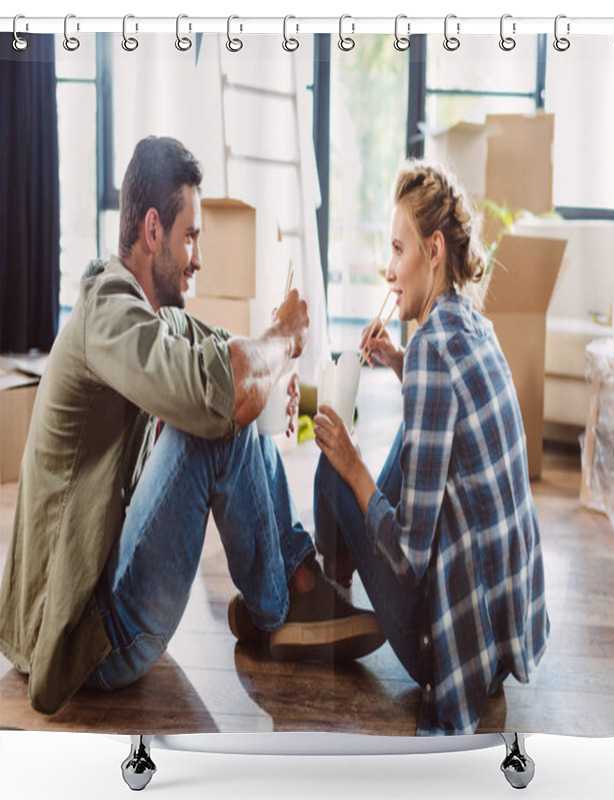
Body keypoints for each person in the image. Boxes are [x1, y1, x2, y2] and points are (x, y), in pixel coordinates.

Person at [0, 136, 383, 716]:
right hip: (84, 642)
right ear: (153, 231)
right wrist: (281, 341)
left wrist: (285, 387)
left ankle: (295, 581)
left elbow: (229, 358)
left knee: (232, 399)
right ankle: (282, 609)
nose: (197, 256)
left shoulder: (157, 316)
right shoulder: (108, 309)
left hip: (104, 596)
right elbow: (218, 393)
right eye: (191, 236)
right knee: (215, 421)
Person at [312, 161, 550, 735]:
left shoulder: (431, 355)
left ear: (434, 248)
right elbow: (448, 424)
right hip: (502, 639)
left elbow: (411, 554)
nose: (388, 269)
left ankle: (325, 601)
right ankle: (330, 590)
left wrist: (353, 467)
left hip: (448, 650)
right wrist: (398, 361)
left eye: (398, 250)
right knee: (399, 440)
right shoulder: (471, 324)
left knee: (331, 468)